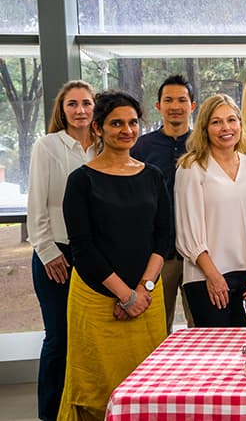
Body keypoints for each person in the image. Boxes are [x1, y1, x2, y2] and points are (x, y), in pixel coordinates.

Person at [60, 90, 170, 420]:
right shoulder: (80, 181)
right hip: (97, 300)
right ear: (98, 128)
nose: (127, 130)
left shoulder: (153, 176)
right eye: (116, 123)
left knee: (150, 389)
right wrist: (124, 296)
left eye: (133, 122)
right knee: (98, 391)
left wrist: (142, 291)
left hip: (148, 298)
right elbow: (82, 248)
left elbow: (163, 239)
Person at [26, 80, 96, 421]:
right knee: (59, 336)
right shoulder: (47, 146)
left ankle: (81, 405)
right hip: (57, 254)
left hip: (94, 255)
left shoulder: (103, 148)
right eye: (73, 104)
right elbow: (36, 206)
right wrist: (49, 251)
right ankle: (50, 412)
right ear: (62, 109)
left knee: (87, 337)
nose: (80, 110)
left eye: (86, 103)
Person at [175, 94, 246, 327]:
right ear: (204, 128)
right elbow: (187, 231)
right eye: (216, 122)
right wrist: (213, 276)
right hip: (206, 276)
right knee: (213, 354)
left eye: (231, 120)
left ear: (240, 124)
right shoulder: (192, 168)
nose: (225, 128)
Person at [131, 74, 197, 333]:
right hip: (159, 254)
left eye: (182, 100)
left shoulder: (203, 145)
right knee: (157, 326)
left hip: (197, 254)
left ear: (192, 105)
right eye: (168, 100)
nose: (175, 106)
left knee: (200, 325)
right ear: (158, 106)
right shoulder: (141, 147)